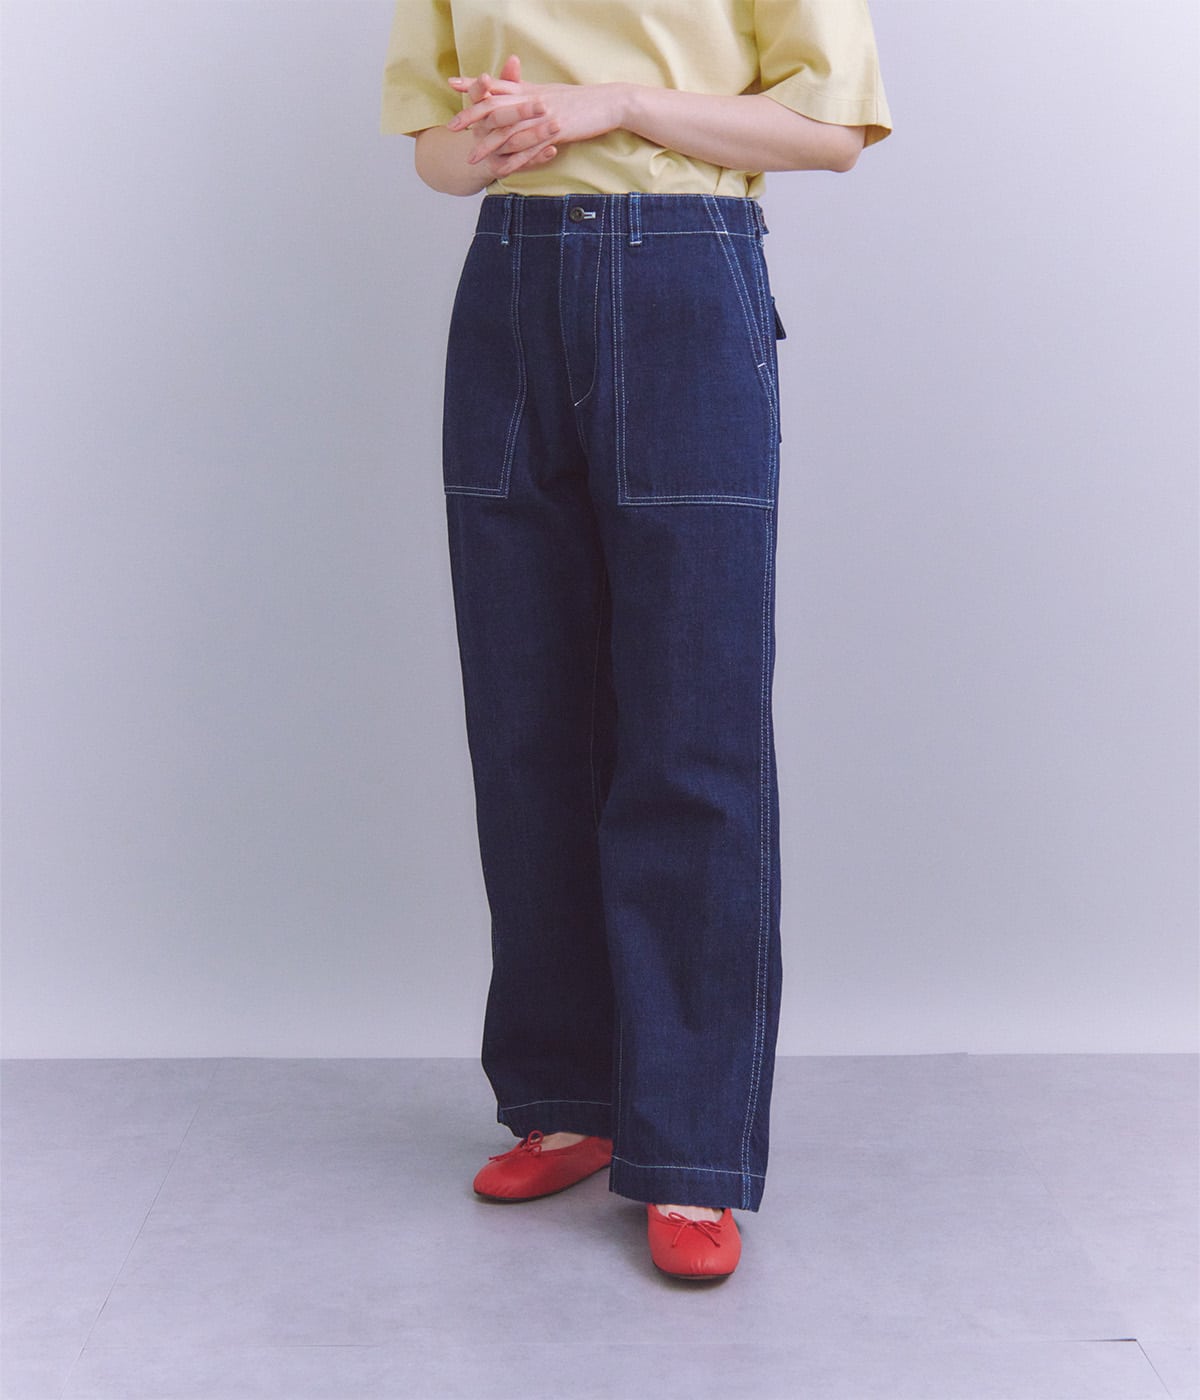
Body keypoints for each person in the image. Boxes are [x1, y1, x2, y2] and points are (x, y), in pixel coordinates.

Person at [380, 0, 892, 1281]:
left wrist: (612, 104)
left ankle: (689, 1147)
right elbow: (431, 148)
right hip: (510, 286)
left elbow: (831, 132)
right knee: (527, 723)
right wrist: (492, 143)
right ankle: (567, 1097)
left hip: (685, 277)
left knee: (691, 723)